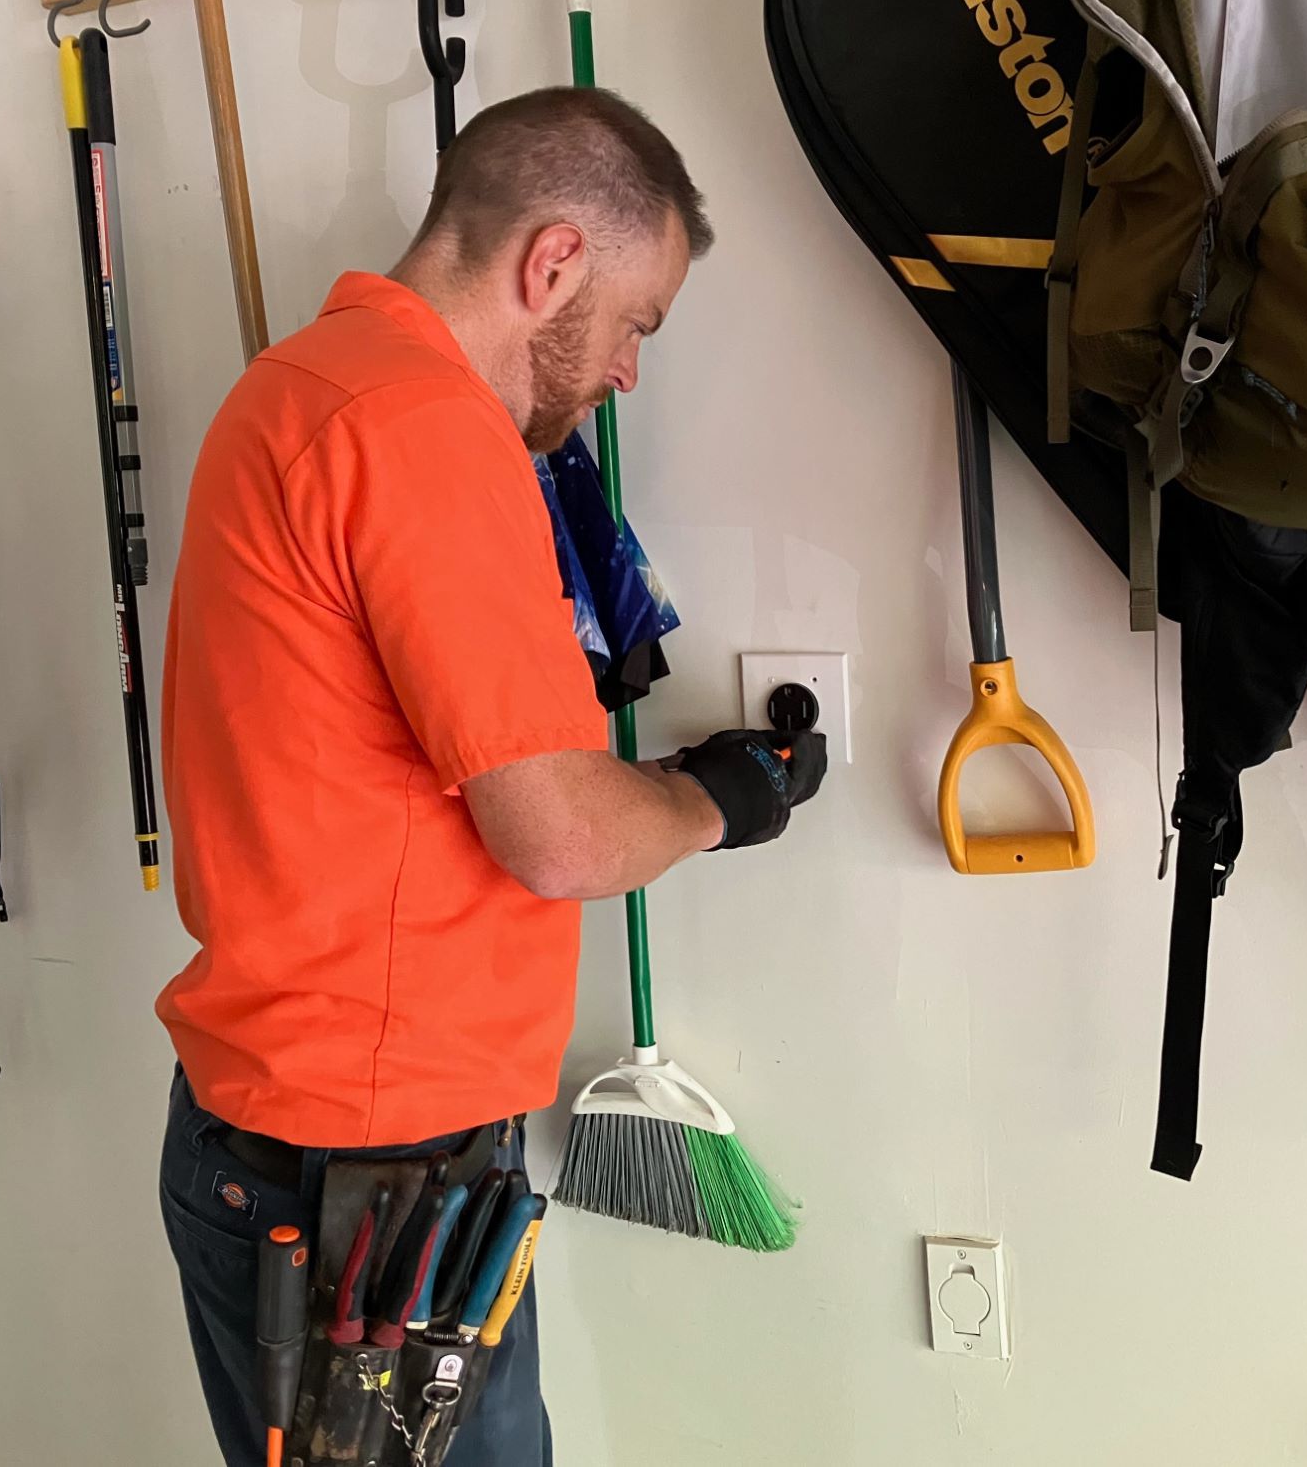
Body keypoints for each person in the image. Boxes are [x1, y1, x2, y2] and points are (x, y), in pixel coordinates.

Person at [155, 86, 826, 1467]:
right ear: (555, 264)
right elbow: (565, 841)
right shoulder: (423, 432)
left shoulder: (301, 386)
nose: (628, 370)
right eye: (638, 323)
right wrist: (724, 798)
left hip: (307, 1145)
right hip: (367, 1186)